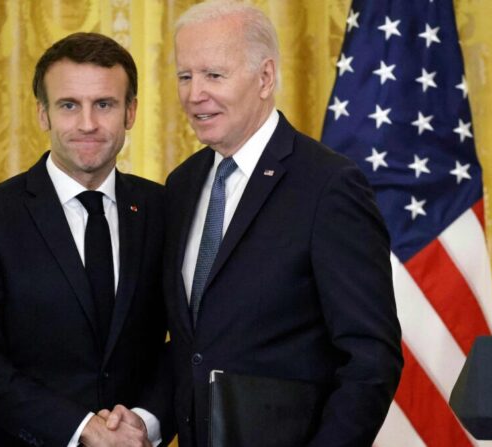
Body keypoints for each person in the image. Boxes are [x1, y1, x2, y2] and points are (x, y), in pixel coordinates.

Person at [163, 1, 403, 445]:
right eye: (185, 76)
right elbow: (191, 346)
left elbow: (371, 358)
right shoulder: (182, 185)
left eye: (214, 75)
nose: (195, 94)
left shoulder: (327, 185)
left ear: (266, 77)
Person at [0, 32, 173, 447]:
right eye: (69, 105)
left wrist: (144, 421)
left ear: (130, 112)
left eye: (104, 104)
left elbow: (193, 341)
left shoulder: (165, 209)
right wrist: (81, 428)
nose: (87, 123)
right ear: (43, 114)